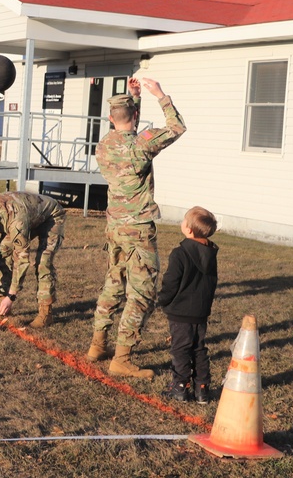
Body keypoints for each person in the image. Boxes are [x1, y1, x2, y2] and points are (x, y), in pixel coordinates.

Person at [87, 77, 186, 379]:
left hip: (115, 226)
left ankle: (97, 344)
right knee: (141, 293)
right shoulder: (142, 144)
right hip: (139, 229)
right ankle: (122, 357)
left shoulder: (104, 145)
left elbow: (124, 125)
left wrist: (133, 97)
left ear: (109, 118)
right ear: (134, 117)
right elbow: (176, 127)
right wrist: (160, 95)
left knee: (114, 282)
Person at [0, 191, 66, 328]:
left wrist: (12, 296)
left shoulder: (16, 221)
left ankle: (45, 314)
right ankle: (2, 307)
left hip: (51, 217)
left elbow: (22, 258)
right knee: (2, 252)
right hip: (29, 217)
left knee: (43, 262)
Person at [157, 206, 219, 404]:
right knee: (199, 348)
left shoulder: (180, 253)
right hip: (200, 311)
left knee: (181, 349)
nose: (181, 223)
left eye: (184, 220)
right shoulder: (210, 254)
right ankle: (202, 388)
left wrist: (163, 299)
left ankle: (180, 387)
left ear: (189, 230)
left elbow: (171, 281)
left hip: (181, 312)